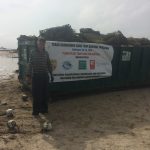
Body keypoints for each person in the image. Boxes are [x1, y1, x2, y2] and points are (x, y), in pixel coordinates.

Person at [26, 36, 54, 116]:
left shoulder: (46, 53)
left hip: (45, 76)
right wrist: (28, 75)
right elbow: (30, 64)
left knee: (45, 94)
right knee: (36, 94)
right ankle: (36, 111)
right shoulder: (33, 52)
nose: (41, 45)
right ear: (37, 43)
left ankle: (44, 109)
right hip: (36, 76)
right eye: (40, 43)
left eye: (43, 43)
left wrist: (51, 74)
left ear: (44, 44)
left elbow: (49, 64)